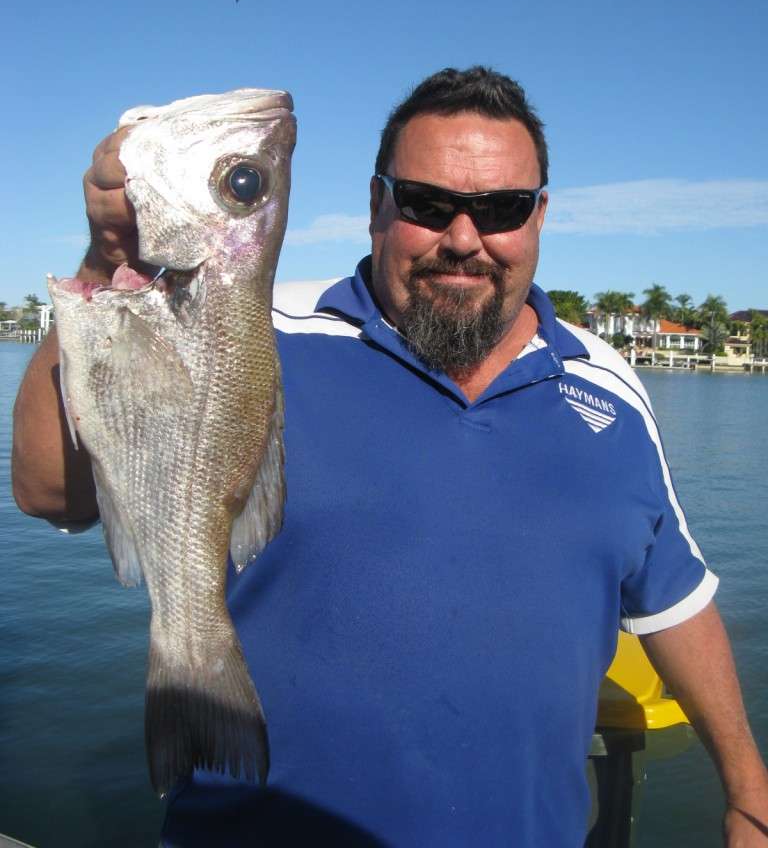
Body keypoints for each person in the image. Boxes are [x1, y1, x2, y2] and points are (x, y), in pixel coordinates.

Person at [12, 67, 768, 846]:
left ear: (539, 217)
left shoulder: (608, 391)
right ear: (377, 205)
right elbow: (46, 491)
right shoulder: (261, 333)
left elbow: (676, 602)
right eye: (428, 204)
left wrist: (748, 789)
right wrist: (108, 265)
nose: (464, 239)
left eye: (502, 209)